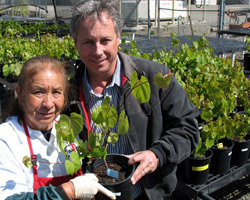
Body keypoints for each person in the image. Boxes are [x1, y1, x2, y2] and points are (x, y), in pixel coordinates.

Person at [68, 0, 200, 199]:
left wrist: (157, 154)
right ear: (75, 42)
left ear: (119, 38)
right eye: (88, 42)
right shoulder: (66, 90)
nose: (97, 51)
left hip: (145, 193)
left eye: (105, 40)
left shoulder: (154, 77)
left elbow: (188, 127)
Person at [0, 56, 116, 200]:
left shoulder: (69, 128)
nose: (48, 103)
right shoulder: (6, 139)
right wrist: (70, 190)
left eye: (56, 92)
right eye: (38, 92)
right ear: (20, 93)